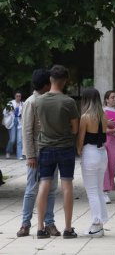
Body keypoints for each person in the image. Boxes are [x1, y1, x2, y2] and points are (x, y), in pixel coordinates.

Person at [35, 65, 79, 238]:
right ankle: (68, 229)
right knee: (66, 185)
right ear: (65, 81)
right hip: (65, 147)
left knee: (44, 185)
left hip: (45, 147)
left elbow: (40, 124)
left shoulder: (39, 101)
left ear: (51, 80)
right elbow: (75, 129)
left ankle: (40, 228)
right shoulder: (69, 102)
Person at [17, 69, 60, 237]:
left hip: (52, 149)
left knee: (51, 188)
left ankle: (49, 223)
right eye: (50, 82)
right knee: (32, 189)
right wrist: (31, 155)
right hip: (37, 153)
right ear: (45, 85)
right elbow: (27, 131)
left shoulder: (50, 100)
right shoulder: (31, 102)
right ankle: (25, 223)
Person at [77, 88, 108, 237]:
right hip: (103, 153)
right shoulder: (104, 115)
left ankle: (96, 224)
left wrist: (77, 151)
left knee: (92, 192)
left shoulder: (86, 117)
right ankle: (100, 223)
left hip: (90, 153)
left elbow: (80, 140)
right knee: (99, 190)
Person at [3, 91, 24, 159]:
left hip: (19, 122)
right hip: (12, 122)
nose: (18, 97)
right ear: (15, 96)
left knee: (19, 140)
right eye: (17, 96)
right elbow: (5, 112)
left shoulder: (22, 104)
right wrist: (11, 111)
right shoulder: (11, 103)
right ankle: (8, 151)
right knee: (12, 139)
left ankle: (19, 155)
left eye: (19, 96)